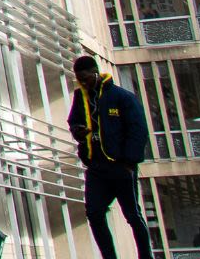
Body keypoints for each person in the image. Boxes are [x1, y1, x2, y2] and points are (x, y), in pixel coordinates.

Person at [68, 54, 154, 259]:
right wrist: (78, 132)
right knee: (94, 213)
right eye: (80, 79)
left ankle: (146, 256)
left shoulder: (121, 97)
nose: (84, 82)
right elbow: (73, 121)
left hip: (121, 166)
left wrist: (129, 162)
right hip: (97, 167)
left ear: (96, 73)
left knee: (132, 215)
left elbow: (138, 129)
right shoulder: (81, 97)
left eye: (86, 77)